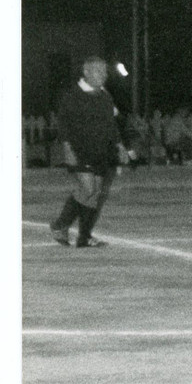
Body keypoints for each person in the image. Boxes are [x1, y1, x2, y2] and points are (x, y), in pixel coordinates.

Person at [49, 56, 131, 248]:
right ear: (86, 72)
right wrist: (67, 148)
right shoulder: (73, 96)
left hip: (102, 151)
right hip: (80, 151)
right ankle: (59, 224)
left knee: (93, 195)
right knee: (88, 189)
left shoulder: (105, 96)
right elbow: (63, 124)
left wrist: (120, 146)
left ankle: (83, 237)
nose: (102, 75)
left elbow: (111, 125)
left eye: (104, 71)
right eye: (97, 71)